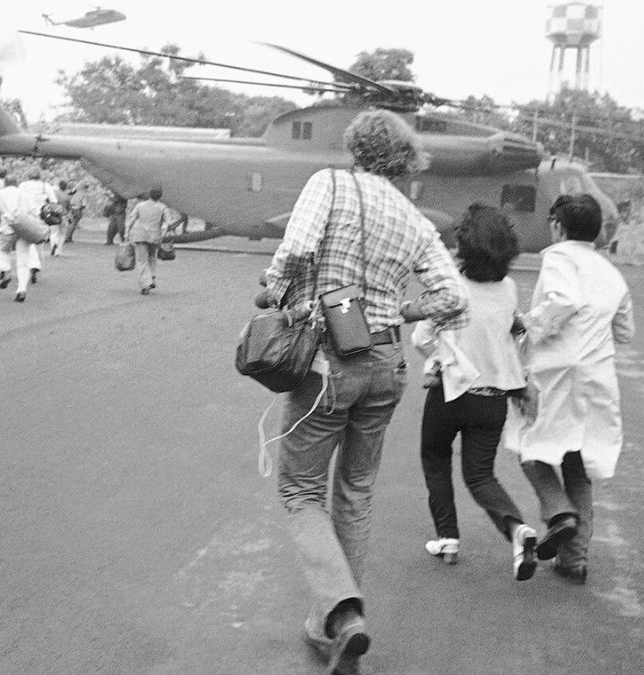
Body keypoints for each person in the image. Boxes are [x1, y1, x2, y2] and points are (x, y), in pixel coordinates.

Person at [257, 109, 467, 675]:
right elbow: (453, 298)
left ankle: (343, 610)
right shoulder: (414, 216)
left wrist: (274, 293)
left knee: (301, 490)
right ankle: (336, 626)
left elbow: (297, 251)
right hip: (387, 365)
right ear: (403, 161)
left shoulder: (328, 183)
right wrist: (402, 309)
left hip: (330, 361)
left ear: (355, 146)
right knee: (355, 490)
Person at [505, 193, 635, 585]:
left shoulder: (559, 256)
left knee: (532, 446)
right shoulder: (610, 272)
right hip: (597, 374)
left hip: (557, 369)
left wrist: (527, 324)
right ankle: (574, 560)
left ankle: (558, 511)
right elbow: (626, 332)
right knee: (578, 461)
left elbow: (563, 301)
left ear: (558, 227)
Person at [409, 204, 537, 580]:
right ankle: (517, 530)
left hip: (451, 394)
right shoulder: (509, 289)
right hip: (492, 400)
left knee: (435, 459)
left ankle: (447, 537)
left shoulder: (452, 288)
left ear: (464, 247)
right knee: (480, 475)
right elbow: (511, 335)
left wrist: (441, 358)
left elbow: (421, 339)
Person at [0, 176, 43, 302]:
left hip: (8, 228)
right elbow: (35, 212)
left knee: (3, 251)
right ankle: (21, 289)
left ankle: (6, 270)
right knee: (23, 259)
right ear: (16, 183)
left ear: (5, 184)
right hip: (24, 229)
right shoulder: (25, 195)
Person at [125, 187, 170, 295]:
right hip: (155, 235)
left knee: (142, 260)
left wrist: (126, 233)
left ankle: (145, 284)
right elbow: (167, 222)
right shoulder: (163, 207)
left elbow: (131, 219)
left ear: (149, 194)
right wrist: (163, 233)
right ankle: (152, 277)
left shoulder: (140, 206)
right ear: (160, 196)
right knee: (152, 257)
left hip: (139, 234)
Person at [17, 171, 53, 279]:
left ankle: (32, 264)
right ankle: (37, 265)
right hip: (40, 216)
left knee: (27, 242)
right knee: (39, 244)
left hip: (25, 216)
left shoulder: (23, 185)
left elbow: (18, 198)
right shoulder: (44, 186)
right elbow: (53, 200)